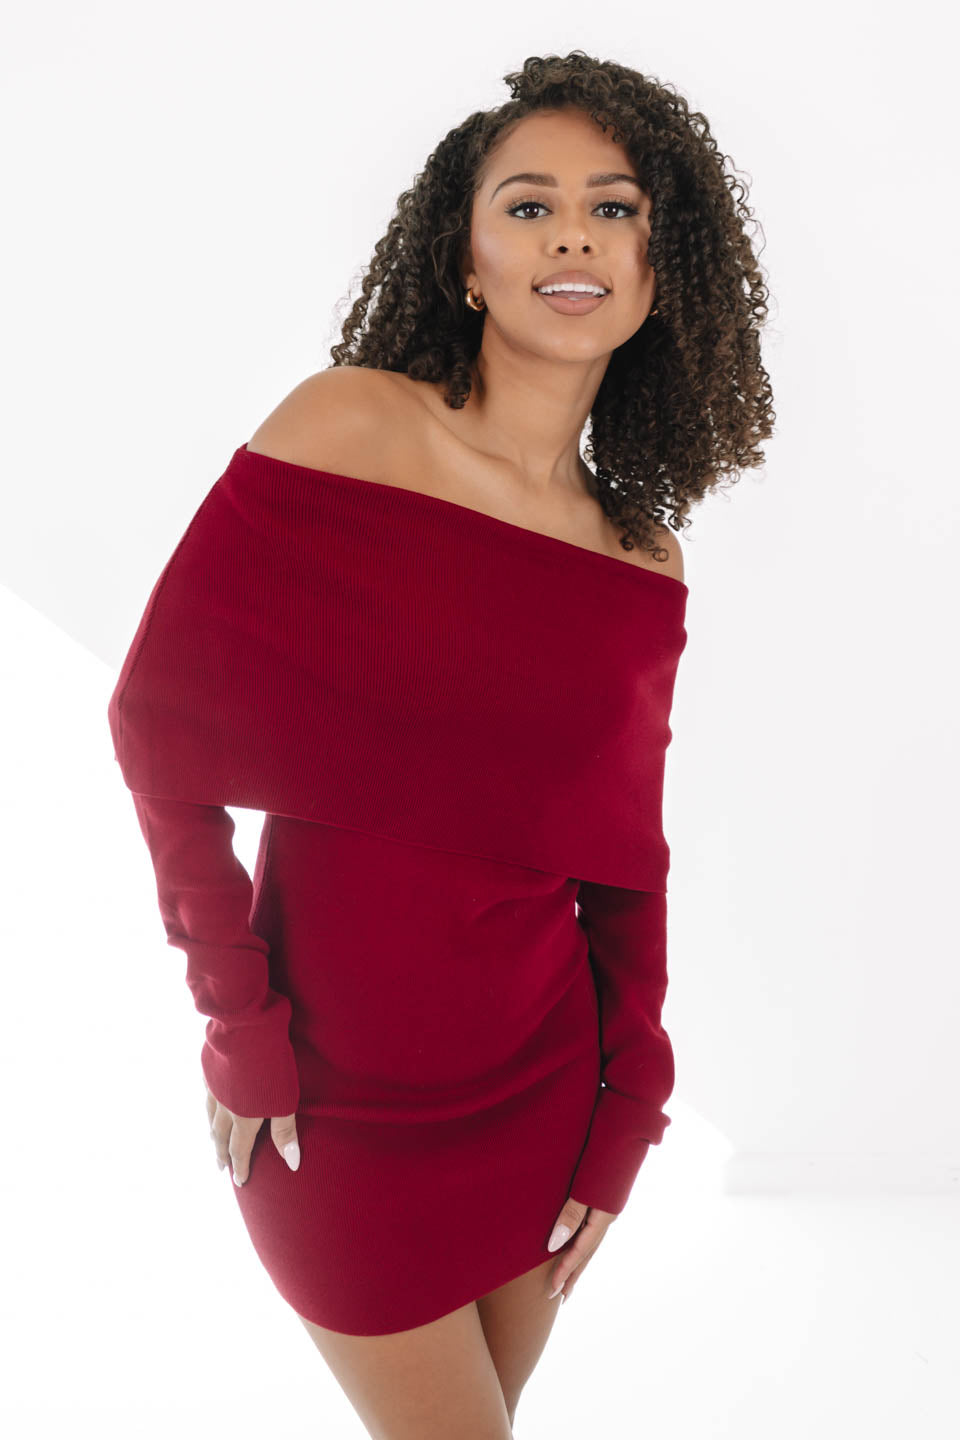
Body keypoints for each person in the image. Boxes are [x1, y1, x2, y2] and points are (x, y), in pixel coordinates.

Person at [108, 50, 774, 1440]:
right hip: (331, 1103)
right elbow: (156, 727)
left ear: (660, 273)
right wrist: (237, 1020)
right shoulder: (348, 428)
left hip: (542, 1089)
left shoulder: (640, 557)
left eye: (614, 207)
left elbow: (625, 867)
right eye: (529, 206)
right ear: (467, 262)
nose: (573, 235)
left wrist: (631, 1101)